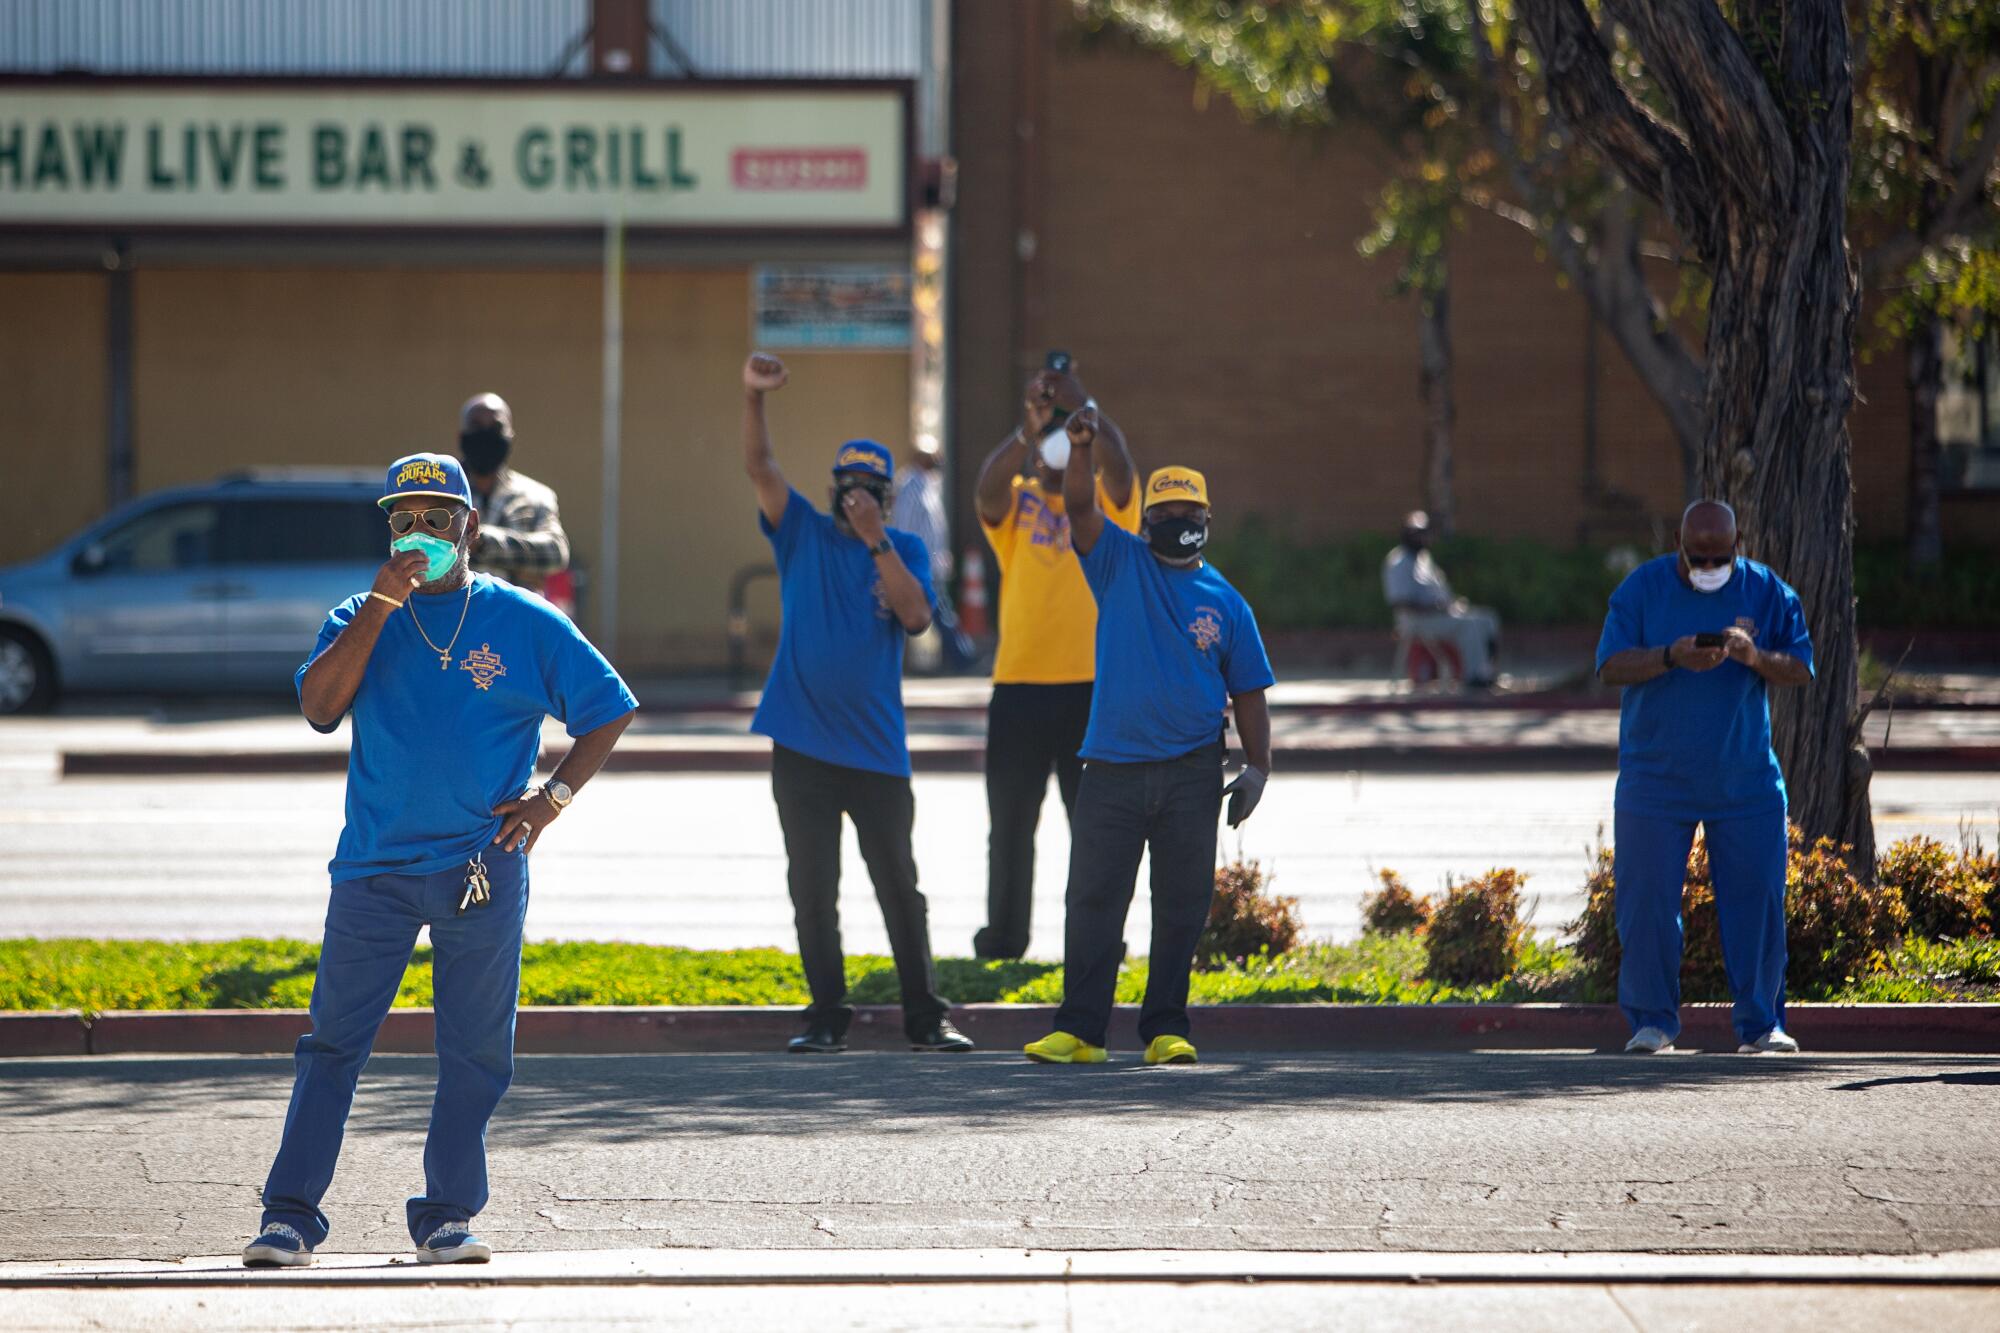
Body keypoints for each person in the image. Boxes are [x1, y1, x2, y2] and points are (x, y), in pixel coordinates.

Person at [242, 452, 637, 1269]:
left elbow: (608, 708)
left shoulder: (523, 620)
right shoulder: (359, 613)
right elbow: (319, 708)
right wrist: (383, 602)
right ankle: (288, 1217)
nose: (419, 532)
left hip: (479, 869)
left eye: (436, 518)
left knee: (476, 1049)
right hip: (372, 870)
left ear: (471, 529)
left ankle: (447, 1215)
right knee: (332, 1044)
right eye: (403, 518)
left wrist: (550, 800)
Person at [739, 351, 973, 1056]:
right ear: (834, 487)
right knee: (813, 891)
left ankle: (925, 1015)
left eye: (870, 490)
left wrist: (876, 542)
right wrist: (753, 396)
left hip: (875, 751)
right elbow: (760, 468)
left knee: (900, 887)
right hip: (801, 746)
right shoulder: (801, 531)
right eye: (848, 488)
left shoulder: (899, 546)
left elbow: (917, 620)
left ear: (886, 497)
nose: (856, 499)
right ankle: (823, 1014)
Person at [1023, 410, 1273, 1067]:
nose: (1176, 519)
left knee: (1182, 905)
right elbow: (1079, 503)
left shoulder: (1227, 600)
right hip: (1110, 770)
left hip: (1192, 771)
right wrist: (1082, 447)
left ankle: (1166, 1028)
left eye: (1188, 509)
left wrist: (1257, 768)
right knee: (1094, 901)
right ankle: (1080, 1031)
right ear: (1144, 521)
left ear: (1207, 520)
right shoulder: (1117, 561)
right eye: (1165, 510)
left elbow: (1249, 689)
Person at [1595, 499, 1814, 1056]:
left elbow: (1800, 667)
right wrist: (1670, 657)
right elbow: (1610, 665)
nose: (1711, 565)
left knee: (1758, 903)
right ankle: (1653, 1023)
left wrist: (1753, 656)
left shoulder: (1766, 590)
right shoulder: (1641, 590)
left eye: (1722, 556)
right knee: (1645, 904)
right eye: (1699, 556)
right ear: (1678, 542)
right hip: (1655, 781)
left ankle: (1762, 1025)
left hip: (1744, 782)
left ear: (1739, 546)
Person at [970, 360, 1139, 959]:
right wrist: (1026, 430)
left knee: (1094, 829)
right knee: (1010, 827)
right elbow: (985, 492)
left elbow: (1123, 476)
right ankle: (1005, 938)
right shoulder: (1016, 506)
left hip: (1093, 687)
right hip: (1018, 685)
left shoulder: (1103, 512)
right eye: (1048, 451)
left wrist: (1087, 408)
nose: (1052, 460)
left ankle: (1096, 940)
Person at [456, 393, 570, 595]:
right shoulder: (443, 493)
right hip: (456, 619)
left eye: (495, 428)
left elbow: (555, 553)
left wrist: (481, 543)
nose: (485, 436)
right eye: (477, 426)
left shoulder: (535, 496)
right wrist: (521, 562)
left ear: (510, 436)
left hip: (518, 621)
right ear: (462, 435)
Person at [1381, 511, 1500, 687]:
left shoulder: (1423, 559)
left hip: (1440, 614)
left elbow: (1439, 592)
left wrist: (1452, 604)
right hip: (1417, 620)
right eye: (1416, 533)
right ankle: (1474, 678)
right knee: (1468, 625)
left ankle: (1488, 672)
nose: (1422, 538)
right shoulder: (1398, 562)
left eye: (1423, 533)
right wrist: (1436, 608)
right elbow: (1400, 603)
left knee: (1487, 618)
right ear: (1406, 534)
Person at [892, 438, 975, 673]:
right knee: (935, 612)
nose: (937, 461)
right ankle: (962, 658)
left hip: (931, 562)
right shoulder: (909, 486)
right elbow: (906, 526)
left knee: (939, 612)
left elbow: (933, 527)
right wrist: (905, 561)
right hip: (917, 564)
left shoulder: (928, 484)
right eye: (932, 457)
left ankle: (961, 657)